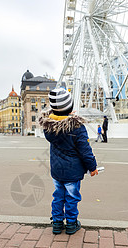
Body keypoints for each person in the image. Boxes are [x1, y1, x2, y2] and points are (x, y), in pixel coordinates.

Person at [39, 88, 98, 235]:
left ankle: (57, 223)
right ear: (70, 107)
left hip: (57, 170)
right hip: (73, 172)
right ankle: (71, 223)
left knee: (58, 195)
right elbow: (85, 151)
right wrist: (93, 167)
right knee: (72, 197)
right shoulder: (77, 127)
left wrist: (63, 116)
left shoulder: (49, 127)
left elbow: (59, 120)